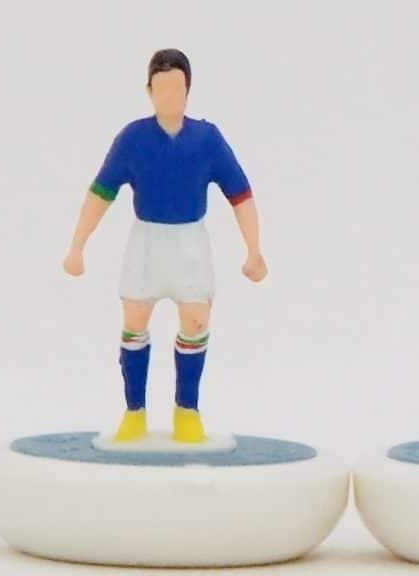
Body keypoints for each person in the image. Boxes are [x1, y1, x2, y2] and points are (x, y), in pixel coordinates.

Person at [63, 49, 268, 443]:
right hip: (146, 242)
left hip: (190, 243)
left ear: (188, 90)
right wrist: (77, 246)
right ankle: (134, 413)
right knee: (135, 320)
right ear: (149, 91)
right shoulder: (132, 139)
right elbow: (101, 193)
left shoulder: (208, 139)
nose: (170, 97)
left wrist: (253, 250)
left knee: (196, 320)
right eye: (162, 89)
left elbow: (240, 194)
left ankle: (187, 411)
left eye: (177, 88)